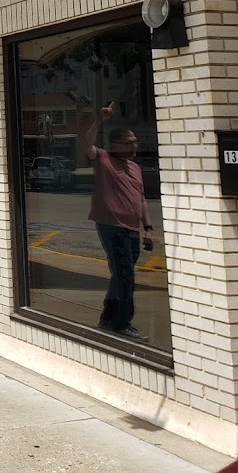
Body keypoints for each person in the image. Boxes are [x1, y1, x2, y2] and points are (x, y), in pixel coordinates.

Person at [82, 102, 157, 342]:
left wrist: (148, 228)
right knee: (125, 274)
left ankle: (108, 318)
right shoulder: (103, 159)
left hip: (132, 228)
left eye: (135, 142)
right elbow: (86, 145)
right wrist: (100, 120)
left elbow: (142, 199)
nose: (134, 146)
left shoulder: (135, 168)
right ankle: (122, 322)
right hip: (111, 226)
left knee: (121, 274)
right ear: (115, 145)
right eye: (129, 142)